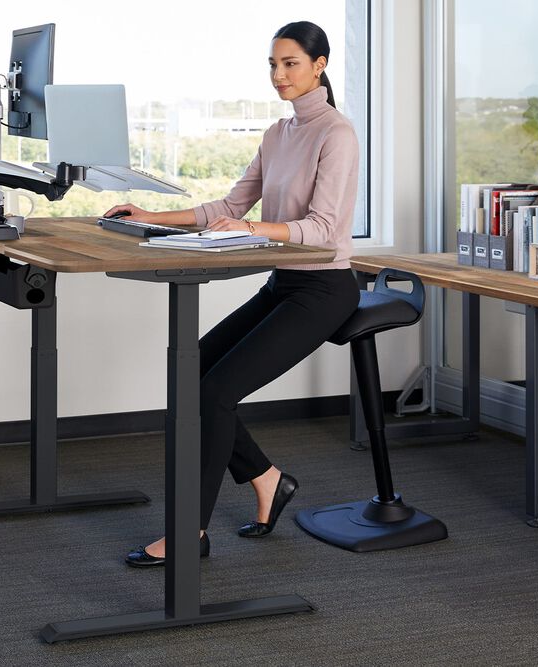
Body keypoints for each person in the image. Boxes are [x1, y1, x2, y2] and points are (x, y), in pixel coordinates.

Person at [109, 21, 360, 567]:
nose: (278, 75)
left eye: (290, 63)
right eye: (272, 65)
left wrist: (253, 232)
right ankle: (268, 478)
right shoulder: (277, 134)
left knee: (215, 391)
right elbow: (227, 208)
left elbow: (324, 229)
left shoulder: (336, 134)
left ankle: (188, 532)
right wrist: (151, 216)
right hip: (285, 281)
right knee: (192, 373)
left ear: (319, 65)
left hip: (325, 287)